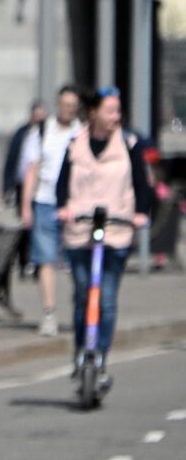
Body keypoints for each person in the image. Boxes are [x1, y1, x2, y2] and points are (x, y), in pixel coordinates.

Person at [56, 87, 152, 391]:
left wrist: (140, 212)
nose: (116, 116)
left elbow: (141, 183)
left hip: (116, 228)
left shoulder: (129, 143)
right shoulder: (75, 144)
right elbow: (61, 185)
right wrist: (63, 209)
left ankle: (100, 359)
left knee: (106, 300)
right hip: (80, 227)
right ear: (94, 112)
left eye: (118, 111)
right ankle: (80, 352)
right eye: (110, 110)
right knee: (84, 293)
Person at [21, 86, 83, 337]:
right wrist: (26, 206)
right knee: (46, 260)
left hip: (74, 204)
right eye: (64, 104)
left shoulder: (82, 133)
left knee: (76, 260)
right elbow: (32, 170)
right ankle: (49, 313)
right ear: (57, 104)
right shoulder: (42, 130)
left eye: (72, 105)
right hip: (45, 201)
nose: (68, 109)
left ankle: (81, 308)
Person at [3, 100, 46, 208]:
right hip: (21, 183)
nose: (39, 119)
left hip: (41, 186)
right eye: (37, 115)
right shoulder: (22, 133)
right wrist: (7, 186)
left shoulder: (49, 135)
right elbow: (11, 159)